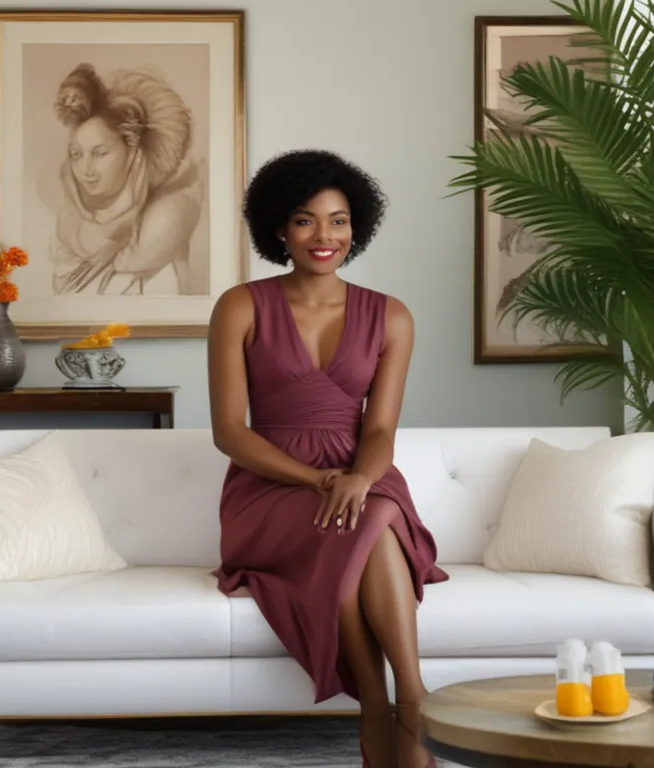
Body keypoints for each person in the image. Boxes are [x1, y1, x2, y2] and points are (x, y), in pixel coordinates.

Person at [207, 149, 448, 768]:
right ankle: (389, 701)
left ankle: (403, 698)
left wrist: (360, 478)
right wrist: (321, 480)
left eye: (339, 221)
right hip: (270, 485)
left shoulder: (391, 315)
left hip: (360, 474)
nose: (325, 236)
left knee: (369, 516)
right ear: (279, 229)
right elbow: (231, 433)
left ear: (356, 227)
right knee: (359, 523)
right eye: (306, 220)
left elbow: (381, 427)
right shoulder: (240, 306)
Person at [42, 63, 206, 297]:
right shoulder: (68, 232)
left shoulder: (163, 227)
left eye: (100, 153)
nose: (86, 170)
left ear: (132, 153)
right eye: (77, 154)